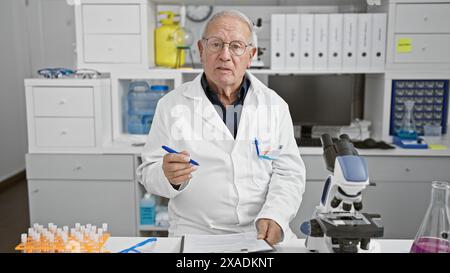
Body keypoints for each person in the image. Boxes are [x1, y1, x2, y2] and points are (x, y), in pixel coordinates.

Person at [137, 10, 306, 246]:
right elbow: (149, 171)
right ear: (201, 49)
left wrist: (276, 216)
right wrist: (168, 176)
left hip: (261, 230)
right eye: (216, 44)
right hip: (197, 233)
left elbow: (289, 173)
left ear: (251, 55)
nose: (225, 55)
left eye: (236, 46)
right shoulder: (172, 105)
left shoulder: (274, 105)